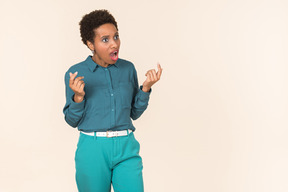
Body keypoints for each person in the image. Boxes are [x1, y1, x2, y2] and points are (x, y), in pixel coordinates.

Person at [62, 9, 162, 192]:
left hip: (126, 147)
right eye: (105, 39)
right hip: (92, 150)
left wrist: (146, 88)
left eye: (116, 36)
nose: (114, 44)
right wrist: (78, 97)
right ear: (90, 44)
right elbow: (71, 120)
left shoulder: (127, 69)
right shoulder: (76, 73)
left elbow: (134, 113)